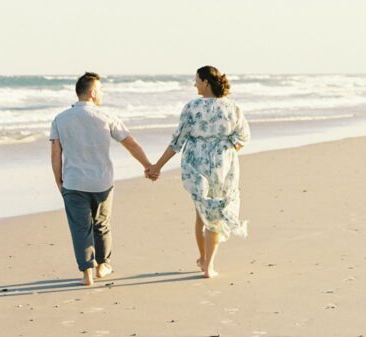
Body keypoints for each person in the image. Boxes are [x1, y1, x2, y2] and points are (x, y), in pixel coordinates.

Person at [50, 72, 153, 286]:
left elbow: (55, 153)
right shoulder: (106, 117)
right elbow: (130, 143)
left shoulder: (60, 119)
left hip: (74, 182)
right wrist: (148, 166)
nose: (102, 93)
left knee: (80, 228)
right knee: (101, 225)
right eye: (101, 89)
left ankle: (87, 273)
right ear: (93, 92)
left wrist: (58, 180)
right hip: (102, 183)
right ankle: (102, 265)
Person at [146, 65, 249, 278]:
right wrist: (224, 149)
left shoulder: (192, 107)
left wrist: (157, 167)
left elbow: (177, 142)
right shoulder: (232, 107)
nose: (194, 84)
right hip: (223, 166)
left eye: (196, 80)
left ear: (205, 82)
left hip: (197, 165)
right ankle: (208, 264)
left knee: (201, 213)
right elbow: (243, 137)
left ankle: (204, 260)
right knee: (216, 212)